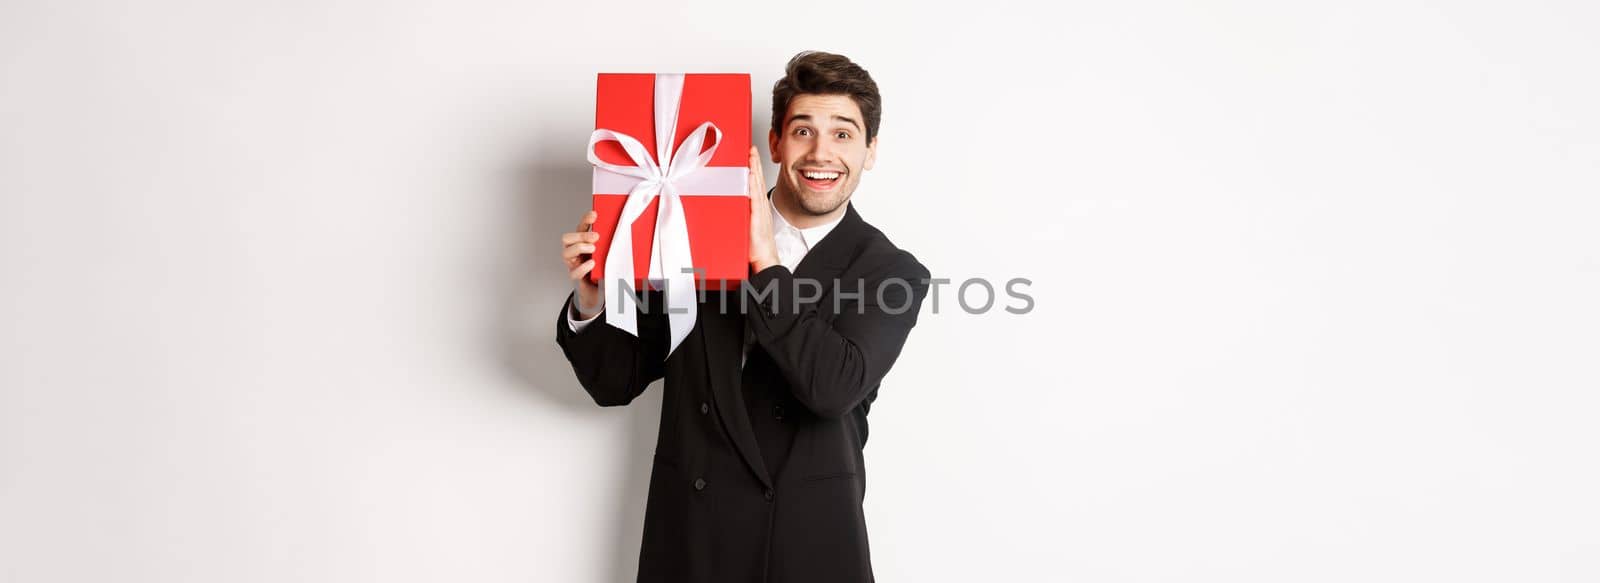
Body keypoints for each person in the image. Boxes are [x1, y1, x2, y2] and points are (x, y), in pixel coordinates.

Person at [556, 50, 930, 583]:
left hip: (810, 549)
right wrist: (594, 298)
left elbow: (831, 386)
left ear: (870, 151)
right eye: (803, 131)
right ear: (775, 142)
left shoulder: (891, 271)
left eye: (844, 134)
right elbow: (614, 382)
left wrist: (762, 261)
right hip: (691, 544)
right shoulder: (687, 234)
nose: (821, 152)